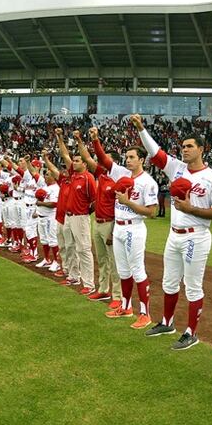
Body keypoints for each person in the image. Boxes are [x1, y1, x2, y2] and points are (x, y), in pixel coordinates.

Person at [134, 113, 212, 348]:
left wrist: (191, 208)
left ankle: (191, 332)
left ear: (201, 149)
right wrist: (141, 129)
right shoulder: (176, 168)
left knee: (193, 286)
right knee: (169, 282)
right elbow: (155, 153)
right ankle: (167, 321)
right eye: (182, 146)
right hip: (174, 234)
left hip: (196, 235)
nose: (184, 150)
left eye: (189, 146)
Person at [89, 126, 159, 322]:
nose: (127, 160)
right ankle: (126, 307)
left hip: (134, 227)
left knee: (137, 270)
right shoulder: (121, 173)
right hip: (118, 226)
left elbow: (152, 212)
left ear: (141, 160)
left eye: (132, 157)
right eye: (126, 157)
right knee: (123, 271)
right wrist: (96, 140)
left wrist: (128, 202)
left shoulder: (148, 182)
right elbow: (103, 159)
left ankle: (145, 314)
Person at [77, 130, 121, 304]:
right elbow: (87, 158)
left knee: (115, 262)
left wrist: (113, 232)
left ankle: (118, 296)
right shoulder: (102, 176)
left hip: (111, 224)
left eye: (106, 159)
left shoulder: (119, 180)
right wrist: (80, 140)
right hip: (98, 222)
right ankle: (104, 290)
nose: (102, 161)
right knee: (102, 260)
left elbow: (121, 208)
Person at [54, 128, 97, 295]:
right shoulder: (72, 175)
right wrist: (60, 138)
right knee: (70, 247)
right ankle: (73, 276)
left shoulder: (88, 178)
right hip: (68, 217)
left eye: (78, 160)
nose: (75, 162)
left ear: (85, 164)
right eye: (75, 161)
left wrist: (85, 212)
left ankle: (89, 284)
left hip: (80, 217)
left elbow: (94, 200)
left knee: (84, 250)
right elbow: (65, 155)